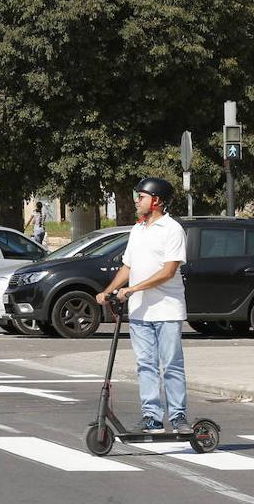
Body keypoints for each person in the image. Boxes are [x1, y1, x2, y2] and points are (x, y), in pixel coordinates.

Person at [96, 177, 189, 434]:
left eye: (141, 197)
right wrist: (108, 291)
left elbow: (168, 271)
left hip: (167, 309)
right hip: (139, 311)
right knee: (145, 364)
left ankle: (178, 417)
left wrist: (133, 289)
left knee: (171, 364)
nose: (137, 202)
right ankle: (152, 416)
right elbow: (128, 266)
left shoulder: (172, 229)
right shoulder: (138, 230)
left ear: (156, 200)